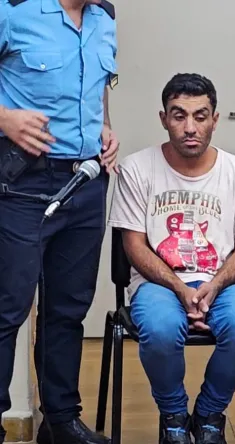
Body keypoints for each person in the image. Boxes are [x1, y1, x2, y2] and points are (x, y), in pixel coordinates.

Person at [108, 73, 235, 444]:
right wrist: (181, 289)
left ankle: (209, 414)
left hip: (222, 282)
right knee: (161, 330)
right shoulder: (136, 168)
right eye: (179, 115)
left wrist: (214, 285)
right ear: (163, 118)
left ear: (215, 120)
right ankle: (174, 418)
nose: (190, 127)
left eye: (200, 116)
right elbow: (134, 245)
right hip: (158, 282)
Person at [0, 1, 119, 443]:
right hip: (23, 184)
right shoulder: (13, 10)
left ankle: (61, 422)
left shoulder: (105, 17)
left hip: (85, 182)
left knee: (67, 310)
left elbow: (96, 86)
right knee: (7, 309)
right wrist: (4, 118)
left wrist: (104, 127)